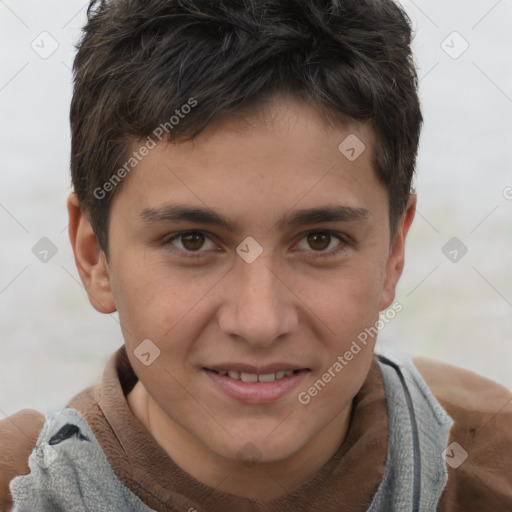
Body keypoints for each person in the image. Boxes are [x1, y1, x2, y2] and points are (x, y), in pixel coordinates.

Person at [1, 0, 511, 510]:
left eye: (320, 240)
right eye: (193, 241)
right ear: (95, 257)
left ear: (394, 252)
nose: (260, 322)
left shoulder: (490, 458)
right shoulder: (19, 489)